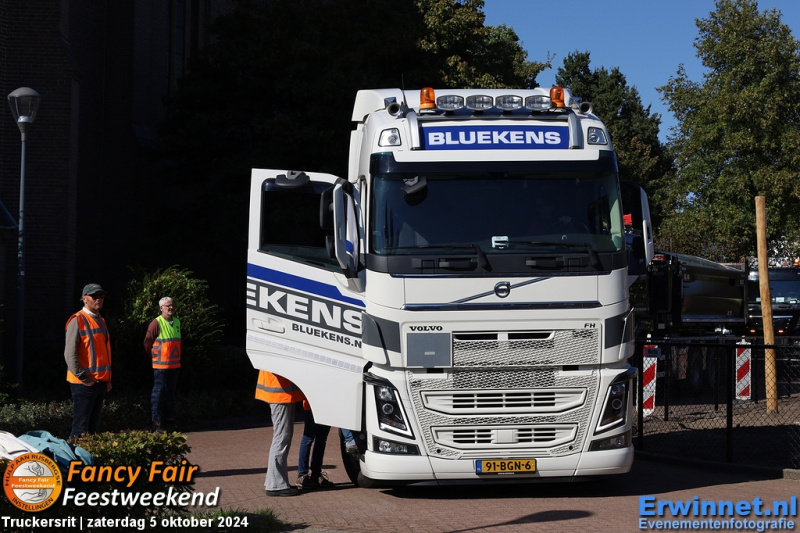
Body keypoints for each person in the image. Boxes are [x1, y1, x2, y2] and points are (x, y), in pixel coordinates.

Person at [64, 283, 112, 438]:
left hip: (99, 382)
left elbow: (103, 353)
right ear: (84, 299)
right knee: (80, 429)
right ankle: (75, 454)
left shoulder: (100, 320)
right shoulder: (77, 320)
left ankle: (88, 454)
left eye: (101, 295)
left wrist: (107, 379)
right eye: (94, 296)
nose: (99, 299)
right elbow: (69, 354)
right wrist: (83, 377)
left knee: (92, 429)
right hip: (84, 383)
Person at [256, 370, 304, 497]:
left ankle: (275, 482)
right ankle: (276, 484)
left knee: (283, 436)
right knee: (281, 437)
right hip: (279, 394)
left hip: (282, 394)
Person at [143, 296, 181, 432]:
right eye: (167, 306)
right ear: (161, 308)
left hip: (174, 365)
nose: (170, 307)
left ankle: (170, 420)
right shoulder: (156, 323)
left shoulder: (177, 322)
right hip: (161, 365)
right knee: (158, 392)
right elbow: (147, 342)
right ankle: (156, 422)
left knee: (170, 393)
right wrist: (153, 356)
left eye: (172, 305)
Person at [296, 403, 335, 490]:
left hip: (327, 406)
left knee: (321, 440)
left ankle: (316, 474)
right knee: (308, 438)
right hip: (312, 405)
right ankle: (302, 475)